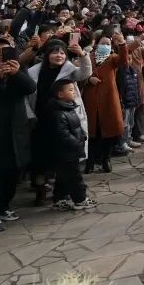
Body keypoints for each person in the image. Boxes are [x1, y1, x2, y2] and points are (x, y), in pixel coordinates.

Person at [26, 38, 92, 205]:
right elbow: (26, 98)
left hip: (63, 120)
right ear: (47, 53)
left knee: (65, 159)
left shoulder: (69, 70)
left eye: (62, 52)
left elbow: (85, 73)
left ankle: (61, 193)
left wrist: (82, 54)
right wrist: (30, 116)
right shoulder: (33, 72)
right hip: (40, 121)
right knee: (40, 159)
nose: (59, 55)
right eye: (55, 52)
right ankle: (40, 191)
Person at [0, 38, 36, 233]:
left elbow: (30, 88)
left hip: (16, 129)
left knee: (13, 171)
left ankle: (4, 207)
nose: (2, 55)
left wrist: (16, 74)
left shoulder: (17, 68)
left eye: (6, 51)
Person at [45, 77, 96, 211]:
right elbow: (63, 134)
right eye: (71, 90)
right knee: (75, 178)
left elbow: (75, 127)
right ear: (60, 94)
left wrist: (82, 136)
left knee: (63, 177)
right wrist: (77, 142)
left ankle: (59, 199)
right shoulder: (57, 112)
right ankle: (80, 200)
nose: (74, 92)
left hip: (71, 151)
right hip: (66, 152)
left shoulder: (68, 108)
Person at [83, 32, 131, 174]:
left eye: (108, 44)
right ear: (96, 44)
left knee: (109, 133)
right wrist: (88, 79)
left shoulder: (112, 58)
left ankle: (106, 160)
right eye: (103, 43)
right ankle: (90, 162)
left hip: (109, 100)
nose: (105, 46)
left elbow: (124, 61)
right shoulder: (88, 57)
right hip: (91, 100)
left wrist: (122, 44)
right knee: (92, 134)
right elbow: (81, 73)